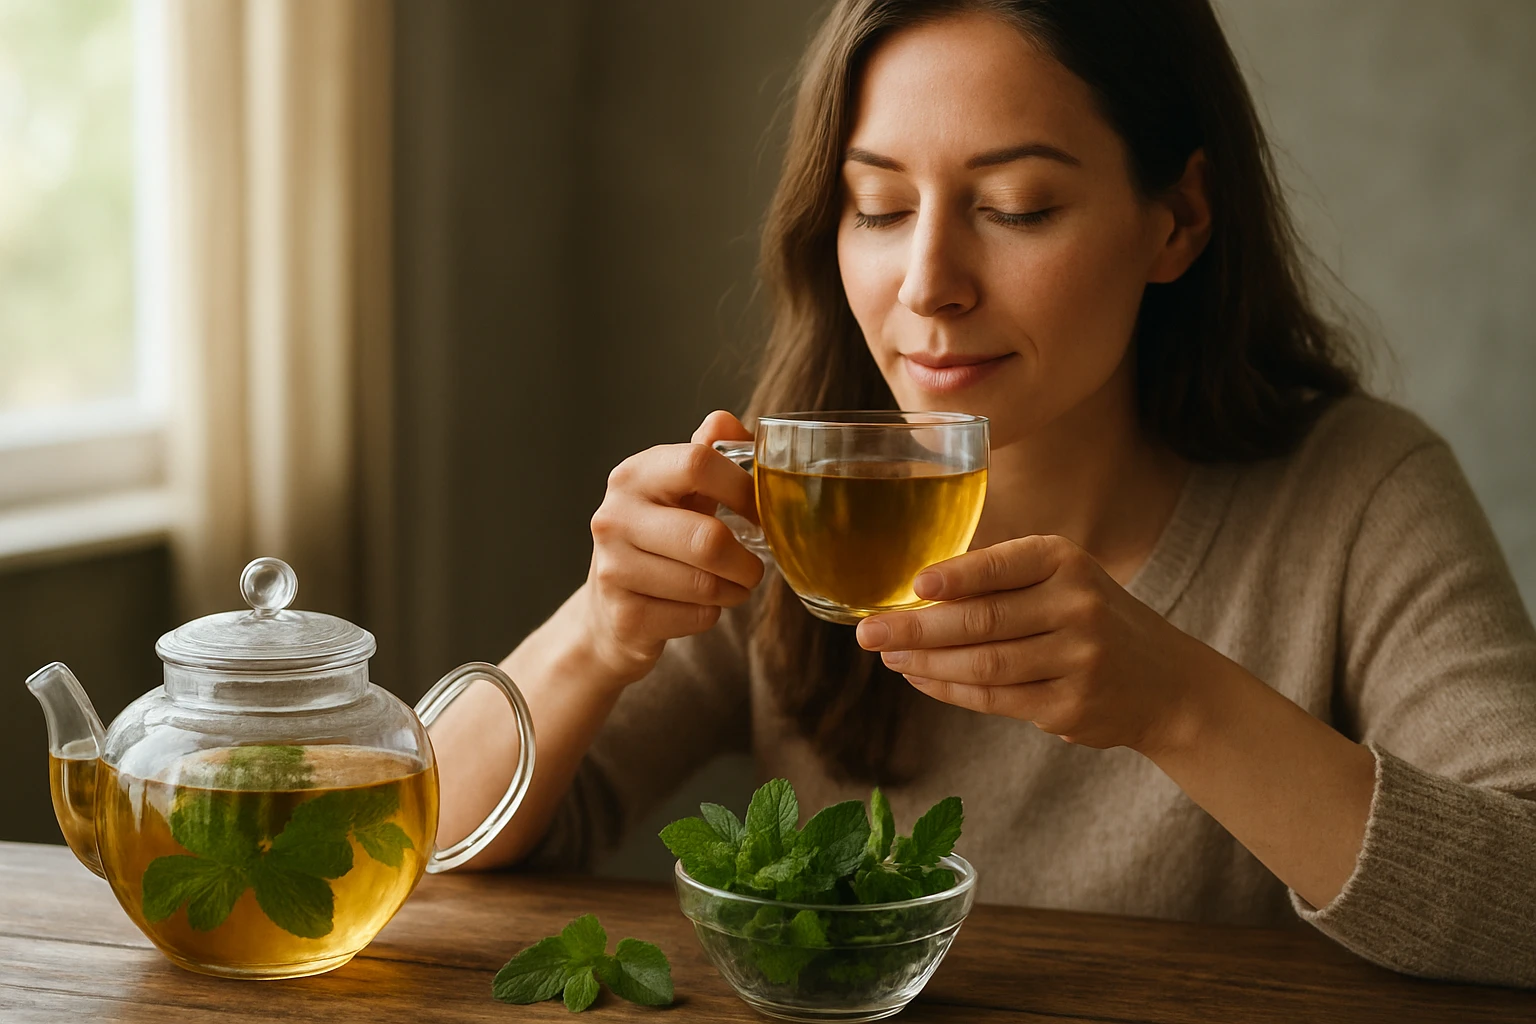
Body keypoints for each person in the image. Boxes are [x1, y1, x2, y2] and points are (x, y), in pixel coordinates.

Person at [430, 0, 1536, 987]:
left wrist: (1179, 705)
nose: (928, 286)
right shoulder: (806, 504)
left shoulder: (1358, 492)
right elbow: (425, 843)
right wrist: (596, 634)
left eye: (1014, 207)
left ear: (1179, 220)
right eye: (877, 205)